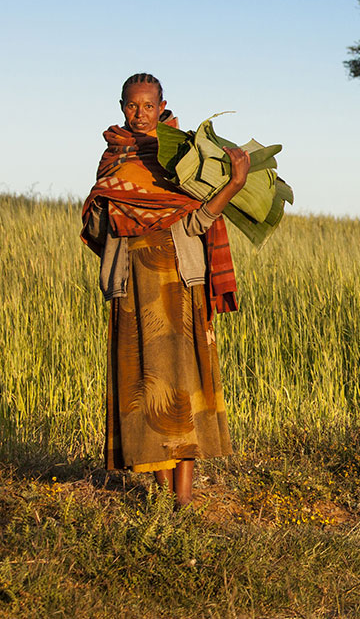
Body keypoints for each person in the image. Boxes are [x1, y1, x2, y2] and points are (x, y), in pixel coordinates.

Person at [81, 73, 250, 506]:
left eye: (148, 105)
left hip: (177, 280)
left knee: (183, 386)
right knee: (143, 385)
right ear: (121, 106)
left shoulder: (183, 156)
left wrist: (232, 186)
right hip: (132, 286)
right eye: (131, 106)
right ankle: (161, 496)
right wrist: (106, 207)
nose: (139, 114)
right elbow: (100, 230)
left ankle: (183, 501)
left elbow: (196, 219)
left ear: (163, 105)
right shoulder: (113, 158)